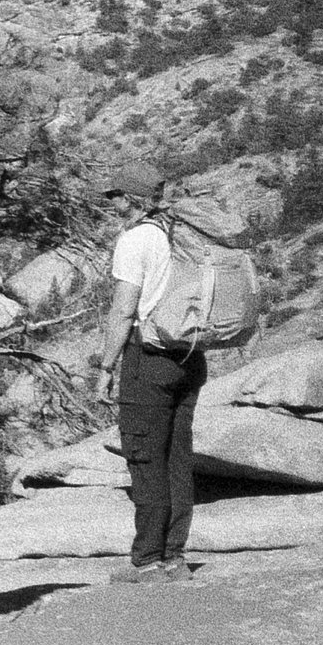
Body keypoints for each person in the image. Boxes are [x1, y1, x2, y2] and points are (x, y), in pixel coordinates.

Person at [89, 159, 202, 582]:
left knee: (145, 457)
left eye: (116, 196)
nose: (112, 204)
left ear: (130, 199)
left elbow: (123, 311)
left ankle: (149, 560)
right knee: (176, 458)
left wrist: (106, 366)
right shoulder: (182, 235)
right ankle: (175, 557)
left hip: (150, 356)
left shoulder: (135, 240)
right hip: (189, 355)